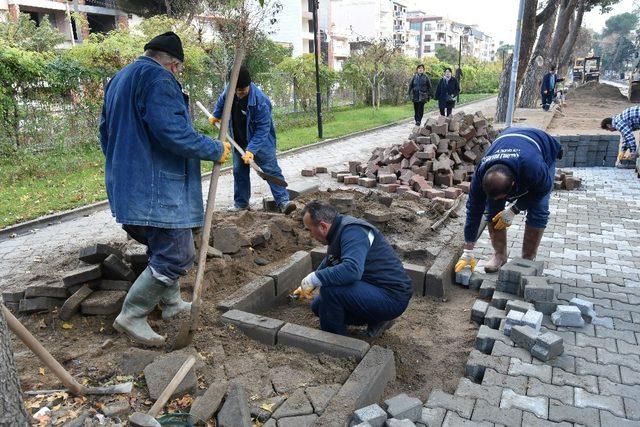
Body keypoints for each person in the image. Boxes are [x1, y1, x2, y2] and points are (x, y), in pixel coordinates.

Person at [99, 32, 231, 347]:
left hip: (129, 186)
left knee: (162, 246)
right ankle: (132, 315)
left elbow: (105, 132)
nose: (177, 75)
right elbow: (172, 132)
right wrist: (214, 149)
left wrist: (124, 165)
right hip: (155, 189)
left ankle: (171, 304)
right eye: (179, 70)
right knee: (177, 252)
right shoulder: (159, 79)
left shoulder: (119, 79)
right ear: (172, 64)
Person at [455, 127, 562, 274]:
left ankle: (527, 260)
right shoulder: (480, 173)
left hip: (542, 147)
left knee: (539, 209)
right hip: (510, 144)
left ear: (513, 185)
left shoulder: (533, 167)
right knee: (493, 212)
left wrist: (514, 210)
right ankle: (500, 255)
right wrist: (468, 250)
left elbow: (543, 189)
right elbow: (473, 210)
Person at [298, 201, 413, 338]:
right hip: (374, 288)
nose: (310, 235)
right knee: (319, 306)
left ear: (323, 226)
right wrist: (311, 282)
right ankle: (377, 319)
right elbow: (331, 260)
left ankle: (336, 343)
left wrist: (316, 278)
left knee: (330, 292)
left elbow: (352, 270)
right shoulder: (338, 229)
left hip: (392, 297)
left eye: (309, 230)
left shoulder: (353, 232)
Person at [211, 66, 295, 214]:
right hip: (238, 139)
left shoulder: (261, 101)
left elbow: (263, 130)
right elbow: (222, 101)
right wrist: (216, 115)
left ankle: (283, 201)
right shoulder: (230, 90)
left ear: (249, 84)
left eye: (242, 89)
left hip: (261, 143)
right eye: (236, 90)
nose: (239, 93)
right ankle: (241, 204)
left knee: (271, 170)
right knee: (239, 172)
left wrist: (251, 150)